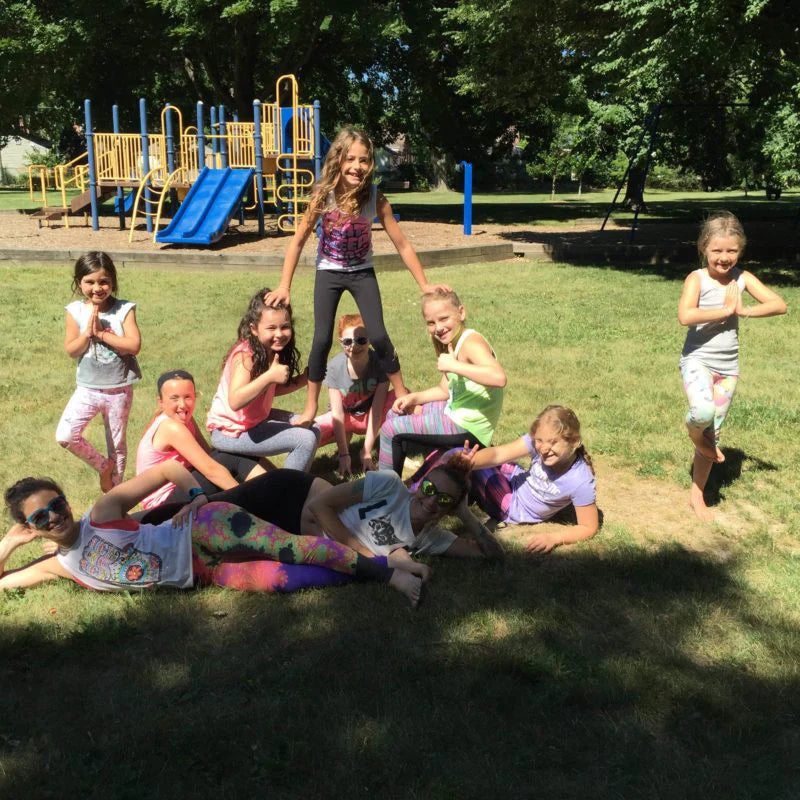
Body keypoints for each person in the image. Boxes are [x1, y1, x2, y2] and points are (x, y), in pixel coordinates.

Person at [0, 463, 425, 605]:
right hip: (203, 572)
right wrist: (10, 543)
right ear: (30, 526)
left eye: (57, 504)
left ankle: (390, 573)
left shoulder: (102, 512)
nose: (54, 517)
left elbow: (167, 470)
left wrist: (198, 496)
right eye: (40, 517)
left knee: (288, 549)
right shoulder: (61, 566)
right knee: (281, 580)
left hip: (203, 527)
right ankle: (376, 567)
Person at [264, 126, 449, 426]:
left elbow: (402, 243)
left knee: (378, 335)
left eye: (364, 160)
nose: (357, 166)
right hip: (329, 272)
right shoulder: (323, 196)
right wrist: (285, 285)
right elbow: (297, 241)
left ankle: (402, 395)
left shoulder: (375, 198)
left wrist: (424, 284)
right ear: (338, 160)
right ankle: (310, 407)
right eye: (350, 159)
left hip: (362, 272)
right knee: (321, 340)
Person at [678, 211, 787, 520]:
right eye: (717, 250)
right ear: (704, 247)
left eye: (732, 251)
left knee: (713, 434)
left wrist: (743, 310)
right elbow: (685, 315)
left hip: (728, 369)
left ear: (740, 250)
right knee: (702, 413)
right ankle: (694, 434)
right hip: (698, 360)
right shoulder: (697, 279)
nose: (724, 257)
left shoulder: (742, 278)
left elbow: (779, 304)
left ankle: (697, 495)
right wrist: (724, 311)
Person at [409, 406, 599, 553]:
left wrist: (554, 538)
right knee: (456, 455)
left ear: (575, 441)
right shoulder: (540, 443)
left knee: (456, 457)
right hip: (514, 479)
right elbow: (499, 454)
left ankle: (415, 506)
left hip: (512, 506)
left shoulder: (581, 481)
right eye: (539, 441)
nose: (544, 448)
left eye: (553, 442)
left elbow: (588, 527)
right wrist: (468, 461)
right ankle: (413, 493)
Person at [378, 288, 506, 475]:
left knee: (390, 429)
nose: (438, 327)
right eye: (431, 322)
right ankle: (397, 474)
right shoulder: (454, 342)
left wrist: (454, 365)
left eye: (444, 318)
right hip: (456, 412)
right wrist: (413, 398)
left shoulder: (471, 343)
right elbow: (444, 390)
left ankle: (383, 490)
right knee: (396, 413)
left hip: (469, 427)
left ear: (461, 313)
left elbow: (499, 377)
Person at [56, 251, 142, 492]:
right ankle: (105, 467)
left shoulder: (124, 309)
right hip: (88, 389)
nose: (97, 288)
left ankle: (115, 495)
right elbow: (71, 349)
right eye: (90, 282)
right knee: (66, 435)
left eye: (103, 281)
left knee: (117, 446)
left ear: (113, 281)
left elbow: (134, 345)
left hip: (118, 390)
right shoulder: (75, 311)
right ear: (79, 282)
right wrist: (87, 334)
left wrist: (102, 334)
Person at [207, 288, 319, 471]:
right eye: (271, 328)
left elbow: (268, 390)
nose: (279, 334)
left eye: (285, 327)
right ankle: (288, 487)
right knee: (304, 440)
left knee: (313, 428)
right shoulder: (245, 356)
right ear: (254, 329)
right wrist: (269, 376)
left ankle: (295, 480)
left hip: (254, 421)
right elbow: (236, 400)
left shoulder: (269, 350)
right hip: (230, 431)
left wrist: (303, 379)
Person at [135, 369, 269, 510]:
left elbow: (207, 454)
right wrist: (245, 503)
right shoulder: (171, 427)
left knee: (233, 451)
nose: (182, 404)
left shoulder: (184, 419)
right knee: (233, 458)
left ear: (195, 397)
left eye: (188, 397)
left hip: (184, 486)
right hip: (162, 505)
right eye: (174, 398)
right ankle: (262, 503)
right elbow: (211, 470)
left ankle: (275, 491)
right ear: (161, 402)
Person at [314, 313, 394, 476]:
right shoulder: (335, 367)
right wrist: (344, 454)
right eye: (348, 341)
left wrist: (366, 451)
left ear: (370, 339)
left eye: (361, 340)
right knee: (310, 432)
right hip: (345, 419)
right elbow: (337, 414)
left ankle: (398, 447)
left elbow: (377, 409)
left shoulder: (380, 363)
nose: (354, 346)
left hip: (370, 416)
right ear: (341, 342)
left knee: (403, 397)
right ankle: (343, 441)